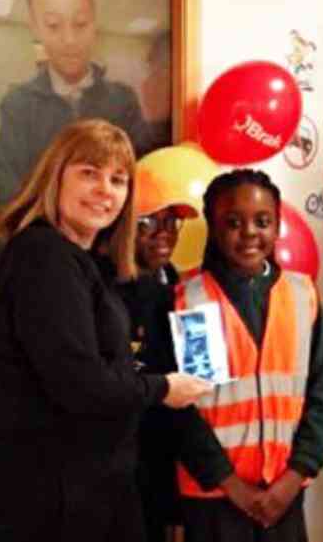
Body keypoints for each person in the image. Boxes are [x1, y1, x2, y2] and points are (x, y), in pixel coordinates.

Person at [0, 118, 212, 542]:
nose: (106, 190)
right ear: (56, 177)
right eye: (89, 173)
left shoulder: (83, 264)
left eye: (118, 179)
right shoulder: (44, 256)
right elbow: (80, 383)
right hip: (53, 494)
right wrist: (163, 388)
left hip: (97, 488)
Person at [174, 169, 323, 542]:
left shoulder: (302, 296)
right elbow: (185, 410)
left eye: (262, 221)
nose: (249, 232)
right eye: (233, 222)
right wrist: (234, 487)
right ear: (213, 228)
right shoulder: (195, 303)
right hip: (216, 498)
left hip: (285, 495)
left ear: (278, 225)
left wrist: (293, 479)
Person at [0, 0, 153, 211]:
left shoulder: (122, 102)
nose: (69, 40)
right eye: (53, 25)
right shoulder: (18, 106)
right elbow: (8, 196)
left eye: (80, 23)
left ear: (95, 20)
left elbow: (142, 187)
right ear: (35, 25)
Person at [114, 167, 206, 542]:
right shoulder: (107, 288)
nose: (164, 232)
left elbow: (199, 368)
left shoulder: (179, 284)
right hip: (123, 451)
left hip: (171, 446)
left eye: (171, 222)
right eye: (150, 221)